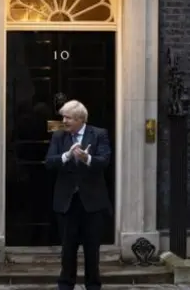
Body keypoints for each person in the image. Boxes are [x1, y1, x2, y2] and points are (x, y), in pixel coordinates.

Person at [45, 99, 111, 290]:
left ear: (80, 119)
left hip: (92, 202)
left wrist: (86, 158)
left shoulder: (98, 134)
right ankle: (65, 285)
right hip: (67, 202)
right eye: (63, 117)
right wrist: (67, 156)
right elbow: (49, 162)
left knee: (92, 250)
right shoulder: (59, 136)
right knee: (68, 249)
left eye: (68, 117)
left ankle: (93, 285)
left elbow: (105, 161)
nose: (64, 121)